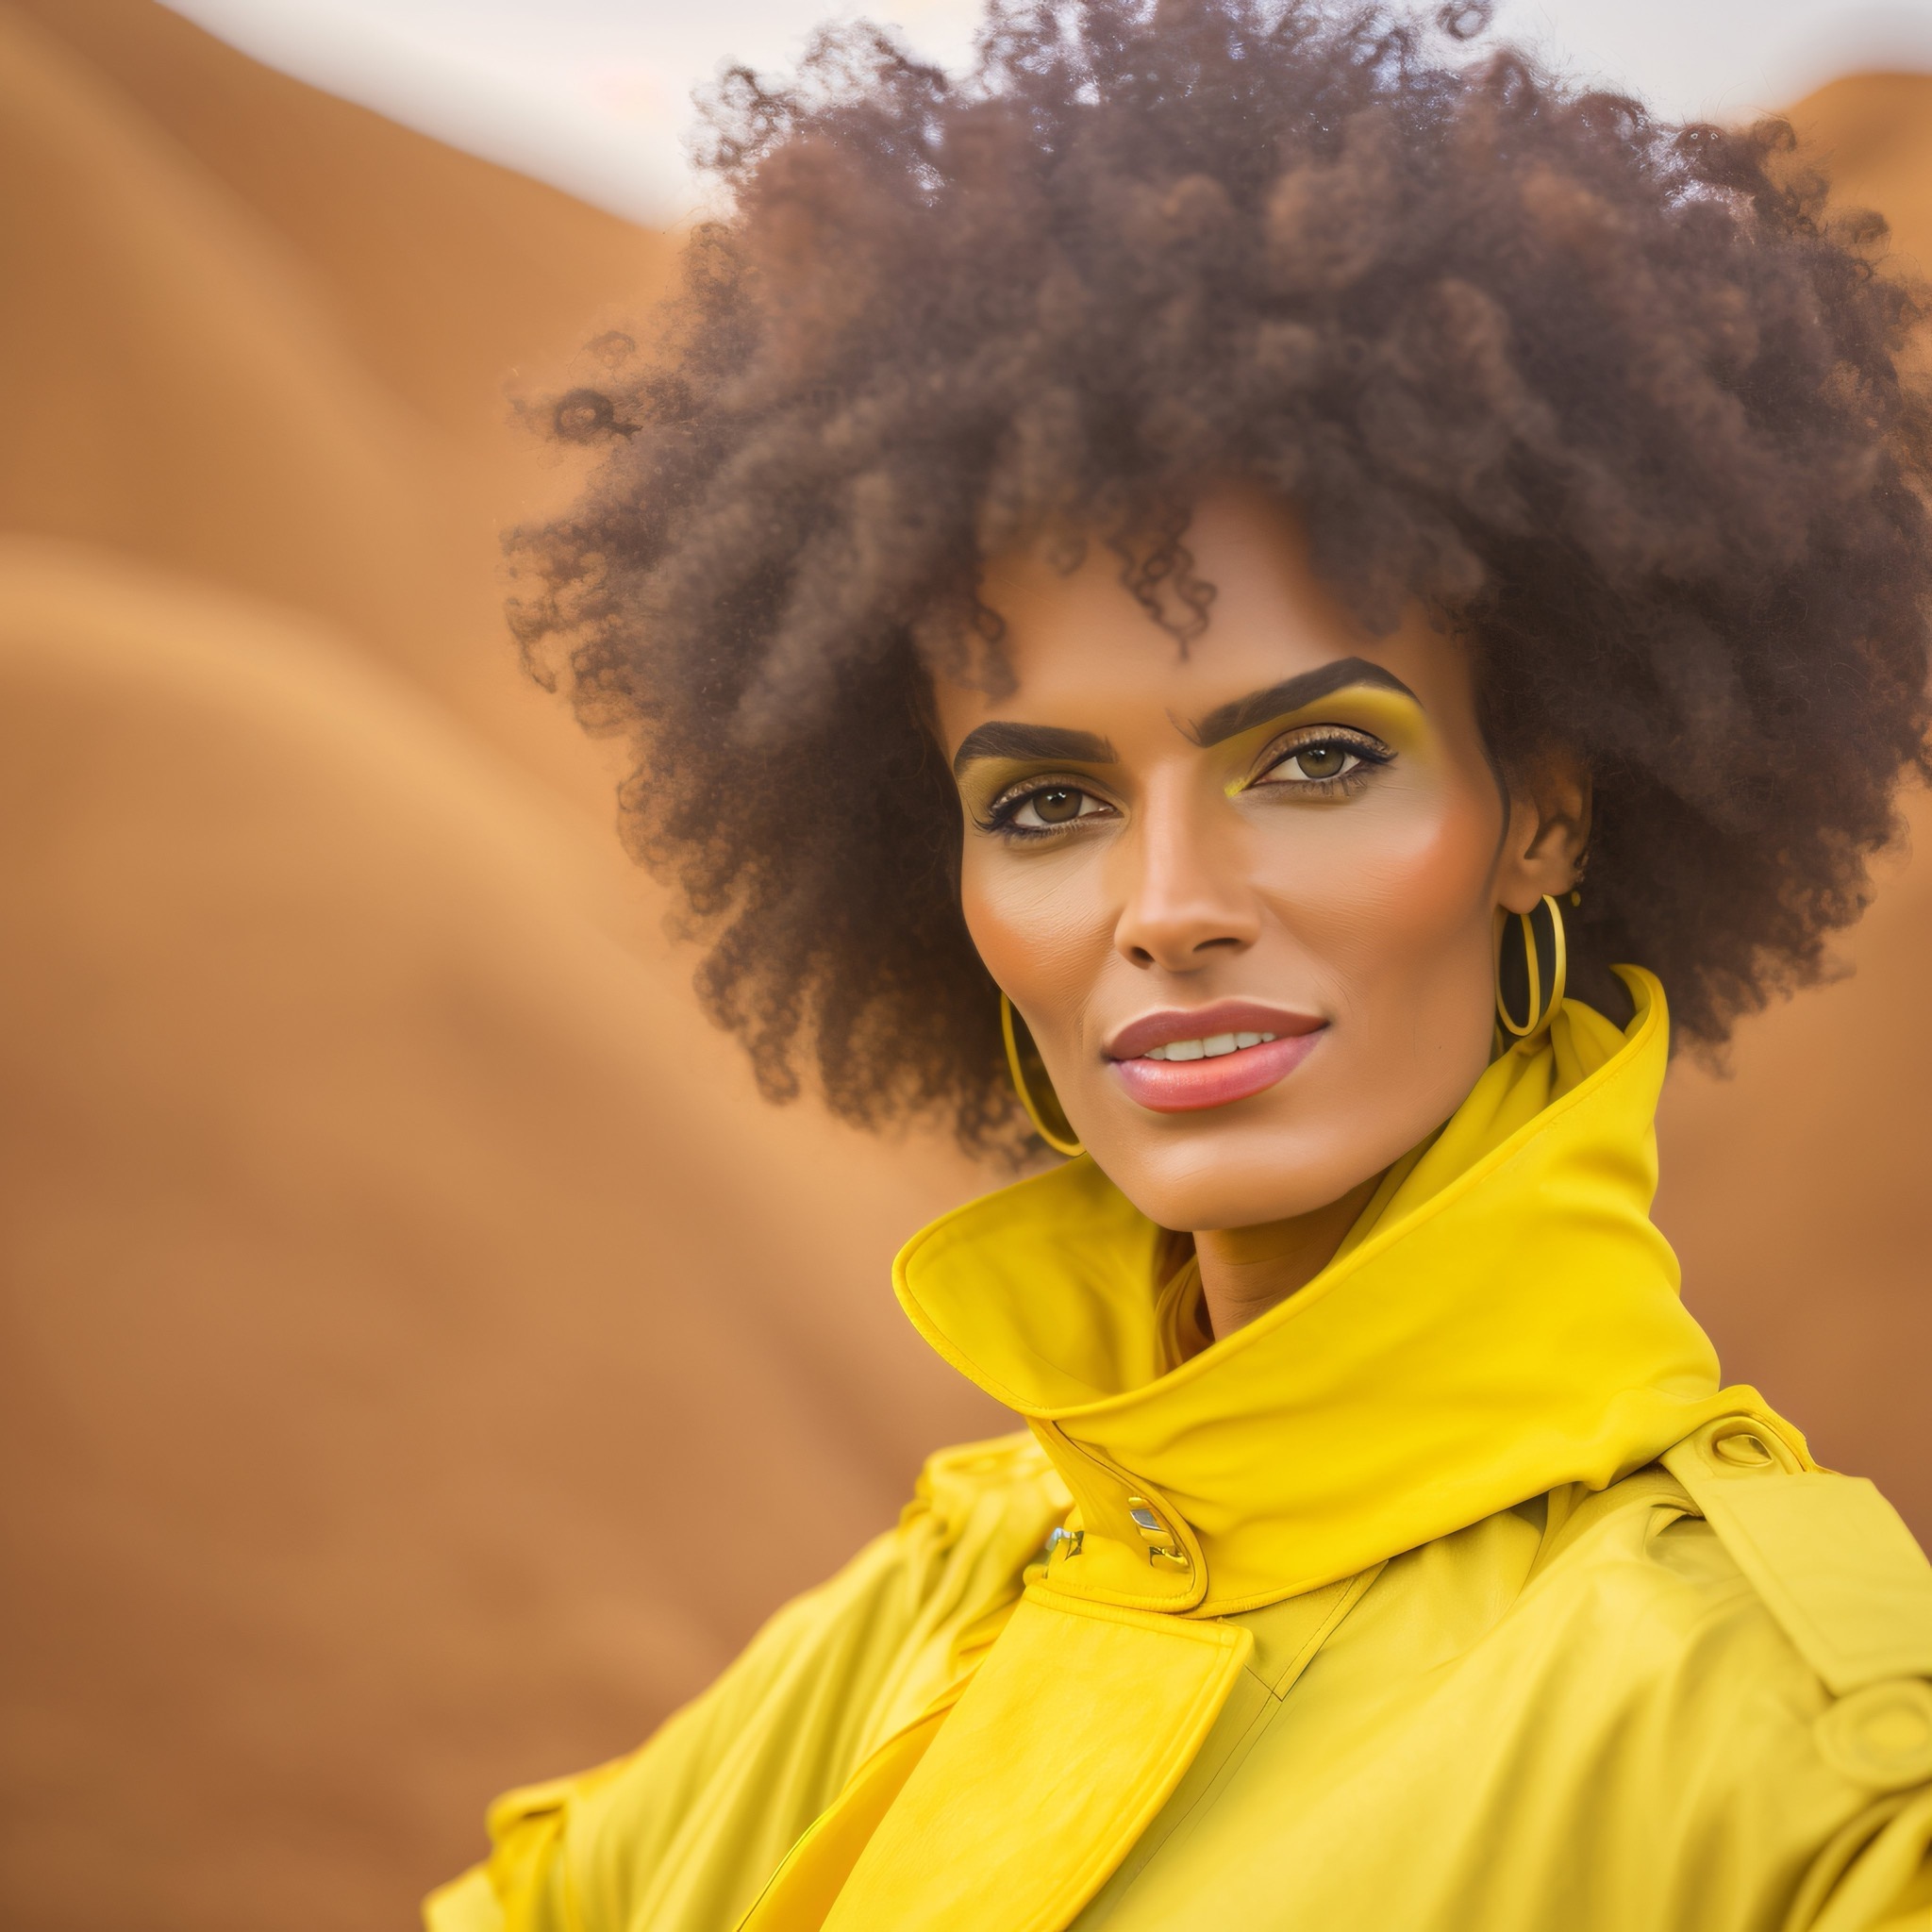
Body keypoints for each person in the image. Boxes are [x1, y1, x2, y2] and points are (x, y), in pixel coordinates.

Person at [427, 2, 1932, 1926]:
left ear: (1543, 811)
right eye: (1045, 802)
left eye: (1313, 758)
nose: (1167, 901)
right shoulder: (930, 1602)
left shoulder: (1815, 1763)